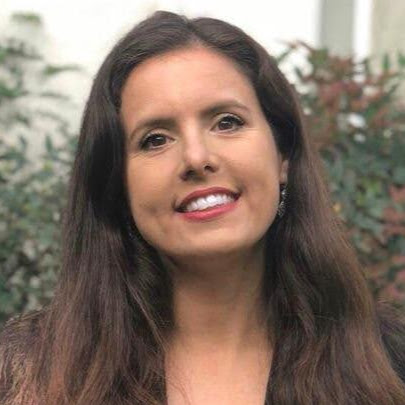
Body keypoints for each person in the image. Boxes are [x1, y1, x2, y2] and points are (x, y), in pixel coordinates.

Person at [1, 10, 405, 405]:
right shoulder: (27, 373)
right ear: (117, 185)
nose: (196, 158)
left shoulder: (388, 364)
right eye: (155, 139)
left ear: (282, 154)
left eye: (227, 122)